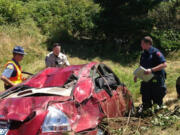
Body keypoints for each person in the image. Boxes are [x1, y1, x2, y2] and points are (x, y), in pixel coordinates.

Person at [134, 36, 167, 111]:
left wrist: (151, 70)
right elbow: (141, 66)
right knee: (146, 99)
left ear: (148, 44)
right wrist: (136, 74)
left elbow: (164, 64)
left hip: (157, 80)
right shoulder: (143, 54)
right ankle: (146, 116)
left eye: (142, 43)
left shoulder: (156, 53)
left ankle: (157, 116)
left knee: (157, 101)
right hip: (146, 79)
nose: (141, 45)